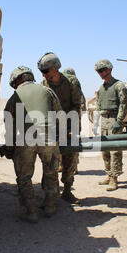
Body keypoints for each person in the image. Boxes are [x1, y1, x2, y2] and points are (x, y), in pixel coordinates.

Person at [4, 66, 62, 223]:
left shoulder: (15, 95)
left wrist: (10, 148)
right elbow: (59, 114)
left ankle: (31, 212)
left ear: (16, 80)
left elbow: (9, 123)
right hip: (48, 136)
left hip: (26, 139)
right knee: (51, 172)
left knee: (24, 176)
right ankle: (50, 206)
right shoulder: (47, 91)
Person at [38, 53, 83, 204]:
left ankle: (68, 190)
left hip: (69, 125)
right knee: (50, 160)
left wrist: (73, 128)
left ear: (56, 68)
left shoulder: (71, 82)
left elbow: (77, 106)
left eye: (46, 71)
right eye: (42, 72)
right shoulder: (44, 84)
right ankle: (50, 192)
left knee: (70, 159)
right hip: (52, 127)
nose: (43, 75)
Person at [94, 59, 127, 191]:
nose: (101, 73)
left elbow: (124, 104)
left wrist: (119, 121)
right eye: (99, 71)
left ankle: (114, 178)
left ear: (109, 69)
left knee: (115, 150)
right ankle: (109, 174)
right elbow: (98, 104)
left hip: (114, 119)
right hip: (104, 119)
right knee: (105, 150)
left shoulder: (119, 85)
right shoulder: (102, 88)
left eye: (103, 70)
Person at [63, 68, 87, 175]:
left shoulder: (77, 89)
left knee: (73, 143)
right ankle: (64, 166)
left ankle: (74, 166)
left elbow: (81, 106)